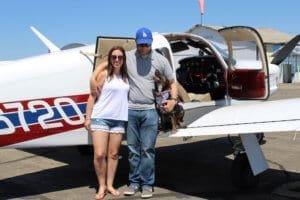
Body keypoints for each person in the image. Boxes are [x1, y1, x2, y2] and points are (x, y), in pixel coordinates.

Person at [91, 27, 177, 198]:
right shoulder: (127, 57)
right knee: (132, 150)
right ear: (136, 43)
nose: (144, 47)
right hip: (130, 111)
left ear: (151, 43)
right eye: (141, 44)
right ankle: (134, 182)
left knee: (147, 149)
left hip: (150, 111)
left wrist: (173, 100)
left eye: (147, 44)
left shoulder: (161, 60)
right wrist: (93, 78)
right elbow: (105, 63)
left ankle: (147, 184)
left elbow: (172, 82)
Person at [85, 46, 129, 200]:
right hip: (101, 118)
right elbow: (92, 96)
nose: (117, 60)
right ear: (109, 59)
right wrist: (88, 118)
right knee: (99, 154)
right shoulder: (104, 74)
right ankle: (101, 185)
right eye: (114, 57)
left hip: (118, 119)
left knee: (114, 154)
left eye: (120, 57)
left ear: (124, 60)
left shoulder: (126, 77)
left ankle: (110, 184)